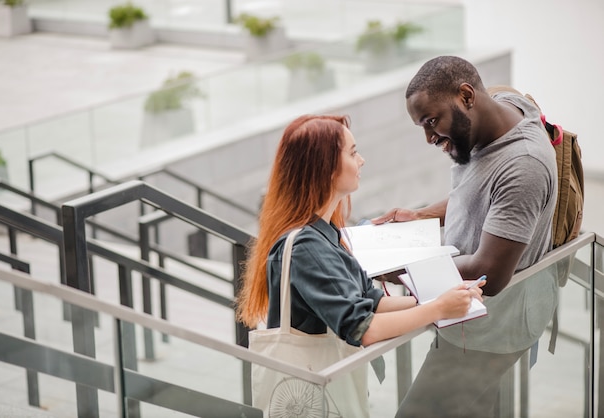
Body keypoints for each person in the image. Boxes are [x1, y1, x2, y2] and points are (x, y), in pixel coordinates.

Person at [372, 56, 559, 417]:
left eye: (431, 121)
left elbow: (487, 273)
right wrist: (423, 214)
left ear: (467, 96)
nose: (429, 138)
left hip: (488, 334)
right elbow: (482, 192)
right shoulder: (501, 113)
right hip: (471, 321)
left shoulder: (523, 165)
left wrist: (395, 268)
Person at [236, 113, 483, 352]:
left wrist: (449, 297)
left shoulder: (325, 234)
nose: (361, 160)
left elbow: (373, 301)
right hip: (314, 387)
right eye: (353, 152)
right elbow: (363, 329)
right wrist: (438, 308)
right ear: (325, 167)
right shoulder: (307, 246)